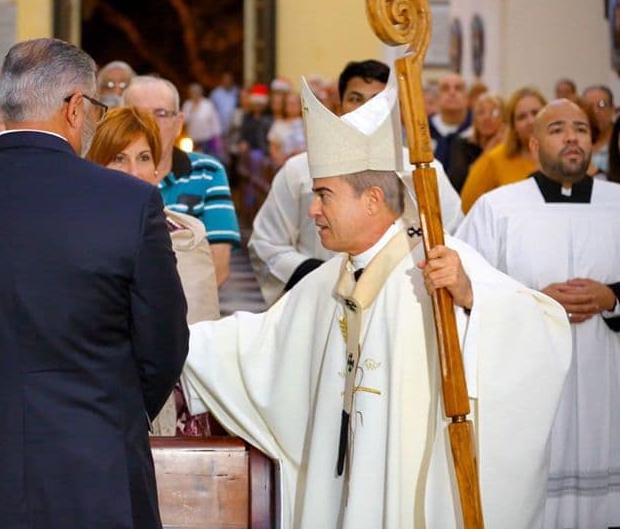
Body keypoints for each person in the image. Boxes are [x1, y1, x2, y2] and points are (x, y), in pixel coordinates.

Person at [181, 78, 572, 528]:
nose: (312, 210)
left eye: (324, 194)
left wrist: (470, 299)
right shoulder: (333, 276)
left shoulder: (441, 264)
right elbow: (256, 343)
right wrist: (174, 340)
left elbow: (544, 327)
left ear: (372, 200)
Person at [0, 38, 188, 528]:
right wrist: (112, 405)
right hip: (98, 460)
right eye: (95, 106)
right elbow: (163, 339)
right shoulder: (128, 203)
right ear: (75, 107)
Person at [456, 99, 620, 528]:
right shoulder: (497, 208)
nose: (571, 138)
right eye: (558, 129)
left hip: (609, 380)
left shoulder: (618, 203)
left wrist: (612, 298)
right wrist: (531, 302)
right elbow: (464, 289)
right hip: (528, 379)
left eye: (581, 129)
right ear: (533, 144)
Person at [249, 60, 463, 305]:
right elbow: (266, 244)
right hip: (322, 303)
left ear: (396, 111)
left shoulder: (424, 171)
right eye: (355, 99)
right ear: (339, 107)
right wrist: (316, 275)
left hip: (405, 300)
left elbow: (458, 238)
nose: (366, 109)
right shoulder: (299, 170)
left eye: (377, 100)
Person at [85, 106, 221, 437]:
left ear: (157, 169)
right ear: (96, 165)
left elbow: (198, 338)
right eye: (119, 158)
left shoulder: (186, 236)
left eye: (144, 157)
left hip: (166, 406)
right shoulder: (75, 233)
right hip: (91, 401)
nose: (134, 171)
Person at [124, 75, 241, 286]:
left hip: (188, 310)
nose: (149, 123)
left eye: (160, 114)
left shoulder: (207, 172)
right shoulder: (105, 171)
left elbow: (218, 266)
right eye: (137, 114)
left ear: (178, 123)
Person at [459, 86, 546, 212]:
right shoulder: (495, 158)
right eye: (522, 117)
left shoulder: (565, 155)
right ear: (513, 126)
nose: (530, 121)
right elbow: (467, 206)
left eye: (535, 113)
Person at [446, 92, 506, 192]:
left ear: (504, 117)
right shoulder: (462, 144)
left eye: (494, 113)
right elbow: (456, 183)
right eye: (481, 112)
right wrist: (487, 153)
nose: (487, 117)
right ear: (474, 119)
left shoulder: (510, 147)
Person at [429, 73, 472, 170]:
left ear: (467, 98)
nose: (452, 92)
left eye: (458, 88)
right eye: (445, 88)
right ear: (437, 97)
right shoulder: (424, 129)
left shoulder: (478, 130)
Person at [181, 83, 222, 156]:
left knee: (205, 157)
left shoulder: (207, 104)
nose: (194, 95)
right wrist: (192, 110)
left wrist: (217, 137)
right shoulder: (187, 104)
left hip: (206, 139)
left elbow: (214, 121)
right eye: (192, 93)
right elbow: (184, 121)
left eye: (196, 92)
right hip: (192, 139)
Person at [267, 91, 306, 167]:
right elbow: (273, 148)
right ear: (284, 106)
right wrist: (282, 160)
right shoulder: (279, 124)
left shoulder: (307, 124)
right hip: (284, 164)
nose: (292, 106)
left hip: (304, 164)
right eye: (289, 104)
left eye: (295, 103)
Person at [582, 84, 615, 173]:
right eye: (589, 106)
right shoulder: (574, 142)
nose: (595, 111)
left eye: (601, 105)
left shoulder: (617, 143)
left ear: (612, 109)